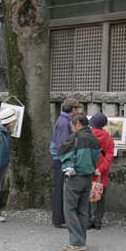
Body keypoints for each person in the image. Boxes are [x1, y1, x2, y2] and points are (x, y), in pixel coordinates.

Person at [58, 114, 100, 251]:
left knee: (69, 209)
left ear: (77, 124)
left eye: (72, 124)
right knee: (83, 209)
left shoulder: (75, 137)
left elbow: (63, 152)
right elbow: (97, 157)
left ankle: (76, 242)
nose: (71, 127)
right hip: (88, 177)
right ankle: (81, 240)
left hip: (75, 177)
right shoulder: (93, 138)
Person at [50, 98, 81, 228]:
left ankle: (60, 218)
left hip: (59, 158)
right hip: (61, 159)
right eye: (77, 108)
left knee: (61, 189)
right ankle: (59, 219)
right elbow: (63, 144)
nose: (78, 111)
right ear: (73, 109)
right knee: (61, 190)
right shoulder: (64, 123)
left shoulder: (62, 120)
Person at [88, 113, 114, 230]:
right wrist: (101, 169)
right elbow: (109, 155)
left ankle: (87, 221)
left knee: (86, 197)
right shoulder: (107, 137)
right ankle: (97, 221)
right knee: (100, 198)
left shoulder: (87, 135)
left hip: (87, 170)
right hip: (101, 173)